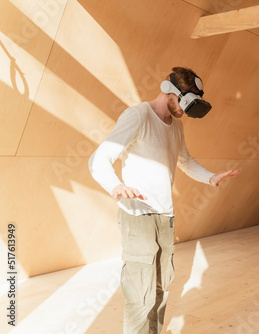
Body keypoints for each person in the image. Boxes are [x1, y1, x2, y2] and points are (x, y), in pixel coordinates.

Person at [89, 67, 239, 333]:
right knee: (140, 293)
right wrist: (116, 185)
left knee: (161, 287)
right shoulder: (138, 116)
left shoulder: (177, 124)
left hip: (165, 216)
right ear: (169, 90)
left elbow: (185, 160)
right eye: (184, 103)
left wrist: (210, 177)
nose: (184, 111)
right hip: (138, 216)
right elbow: (99, 158)